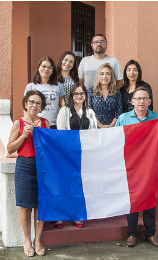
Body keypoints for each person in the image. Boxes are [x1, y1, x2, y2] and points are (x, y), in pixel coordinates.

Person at [115, 86, 158, 247]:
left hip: (149, 166)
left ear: (149, 101)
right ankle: (132, 234)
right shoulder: (124, 118)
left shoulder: (156, 118)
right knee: (132, 199)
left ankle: (150, 234)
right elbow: (114, 142)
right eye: (138, 98)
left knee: (150, 198)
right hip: (130, 166)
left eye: (145, 98)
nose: (141, 101)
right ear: (132, 101)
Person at [7, 90, 50, 257]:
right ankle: (27, 239)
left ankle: (38, 239)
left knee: (40, 204)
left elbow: (52, 148)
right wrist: (24, 135)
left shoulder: (45, 122)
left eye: (38, 103)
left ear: (41, 107)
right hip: (24, 165)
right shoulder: (18, 123)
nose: (34, 105)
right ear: (25, 103)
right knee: (25, 205)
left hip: (42, 167)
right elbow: (10, 149)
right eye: (32, 102)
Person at [55, 82, 97, 229]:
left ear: (85, 95)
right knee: (64, 184)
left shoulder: (90, 112)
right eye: (76, 94)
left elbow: (93, 133)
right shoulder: (64, 111)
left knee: (79, 186)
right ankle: (60, 216)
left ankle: (77, 215)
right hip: (66, 154)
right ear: (71, 96)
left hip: (83, 156)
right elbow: (61, 133)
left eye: (82, 93)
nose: (79, 96)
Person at [24, 56, 65, 129]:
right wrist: (26, 123)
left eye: (49, 67)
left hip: (53, 125)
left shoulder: (58, 86)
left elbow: (63, 107)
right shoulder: (31, 86)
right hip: (35, 125)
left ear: (52, 71)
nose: (46, 69)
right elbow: (25, 107)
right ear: (38, 68)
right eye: (44, 66)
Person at [88, 63, 123, 128]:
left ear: (111, 76)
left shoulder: (117, 92)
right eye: (102, 74)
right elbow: (88, 111)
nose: (104, 76)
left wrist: (110, 126)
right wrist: (100, 125)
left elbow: (119, 112)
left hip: (112, 127)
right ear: (98, 76)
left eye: (107, 74)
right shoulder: (91, 91)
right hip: (94, 127)